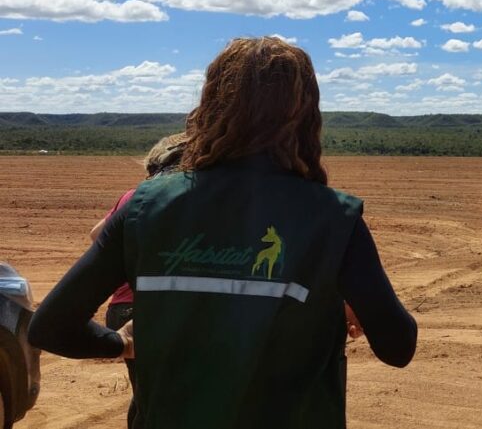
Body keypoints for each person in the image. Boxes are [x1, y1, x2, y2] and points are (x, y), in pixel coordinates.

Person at [29, 36, 417, 429]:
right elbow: (398, 347)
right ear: (305, 114)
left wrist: (120, 341)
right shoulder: (334, 217)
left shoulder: (146, 206)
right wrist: (338, 295)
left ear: (211, 106)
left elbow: (50, 327)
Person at [85, 132, 187, 428]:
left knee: (145, 397)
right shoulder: (189, 202)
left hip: (122, 308)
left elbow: (96, 236)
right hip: (161, 307)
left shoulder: (135, 197)